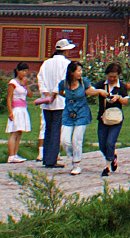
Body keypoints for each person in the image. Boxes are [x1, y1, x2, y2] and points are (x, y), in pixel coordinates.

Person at [60, 60, 104, 175]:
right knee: (64, 140)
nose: (80, 73)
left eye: (81, 71)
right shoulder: (64, 83)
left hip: (82, 112)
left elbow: (89, 91)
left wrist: (99, 92)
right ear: (71, 72)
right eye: (78, 71)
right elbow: (61, 92)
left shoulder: (84, 82)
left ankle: (76, 164)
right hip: (68, 113)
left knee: (76, 140)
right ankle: (73, 155)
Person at [36, 38, 75, 168]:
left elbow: (40, 78)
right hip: (59, 101)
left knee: (48, 128)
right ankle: (52, 158)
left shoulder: (46, 63)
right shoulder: (67, 64)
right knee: (56, 130)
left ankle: (46, 157)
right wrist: (53, 93)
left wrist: (46, 93)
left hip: (46, 101)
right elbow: (63, 80)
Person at [96, 62, 130, 177]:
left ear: (118, 76)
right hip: (103, 118)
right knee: (102, 145)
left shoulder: (122, 86)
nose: (112, 79)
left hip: (116, 119)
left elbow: (126, 102)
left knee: (110, 142)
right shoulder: (101, 85)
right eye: (110, 76)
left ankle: (107, 166)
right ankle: (112, 157)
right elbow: (90, 91)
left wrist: (118, 98)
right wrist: (100, 92)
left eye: (114, 77)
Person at [5, 62, 32, 163]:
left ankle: (15, 154)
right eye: (22, 71)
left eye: (26, 71)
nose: (24, 73)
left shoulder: (23, 83)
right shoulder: (13, 83)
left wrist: (26, 85)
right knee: (14, 132)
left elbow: (29, 95)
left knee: (19, 132)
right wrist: (10, 111)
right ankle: (11, 155)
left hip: (23, 109)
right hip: (16, 109)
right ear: (17, 71)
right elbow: (9, 97)